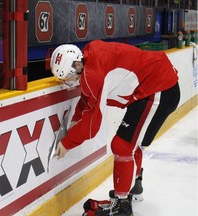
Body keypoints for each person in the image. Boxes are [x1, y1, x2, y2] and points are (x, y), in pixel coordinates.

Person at [50, 40, 180, 216]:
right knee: (132, 143)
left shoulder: (91, 74)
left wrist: (67, 142)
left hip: (157, 88)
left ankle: (122, 206)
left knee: (122, 145)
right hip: (156, 84)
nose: (70, 82)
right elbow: (88, 98)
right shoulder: (91, 56)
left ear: (77, 65)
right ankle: (134, 187)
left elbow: (92, 126)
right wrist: (75, 119)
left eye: (69, 77)